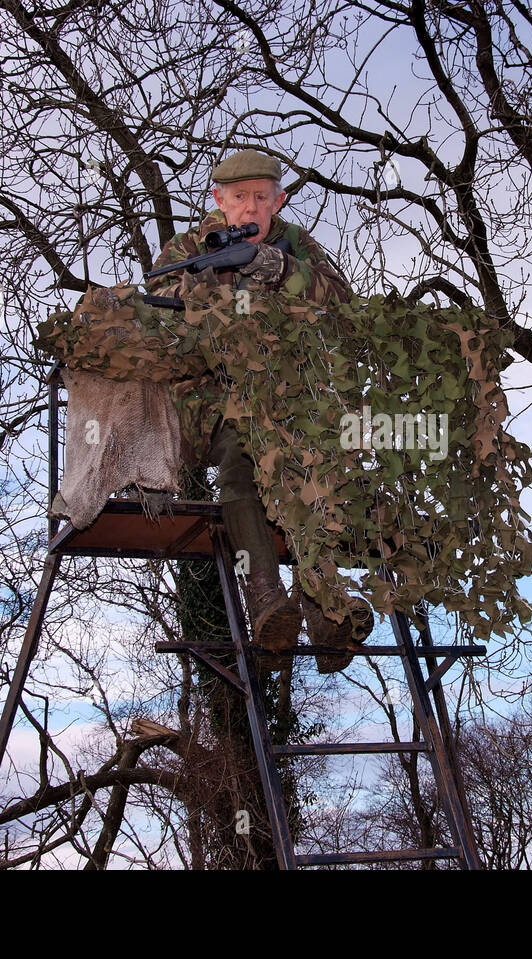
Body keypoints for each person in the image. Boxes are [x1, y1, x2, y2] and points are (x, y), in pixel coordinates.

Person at [147, 149, 372, 672]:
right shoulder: (186, 248)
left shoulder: (294, 245)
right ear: (218, 201)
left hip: (293, 401)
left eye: (261, 198)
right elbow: (158, 312)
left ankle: (324, 608)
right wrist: (216, 286)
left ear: (279, 201)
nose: (250, 208)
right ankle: (267, 599)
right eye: (239, 197)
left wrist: (278, 269)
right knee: (241, 458)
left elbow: (344, 305)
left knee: (316, 460)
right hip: (213, 401)